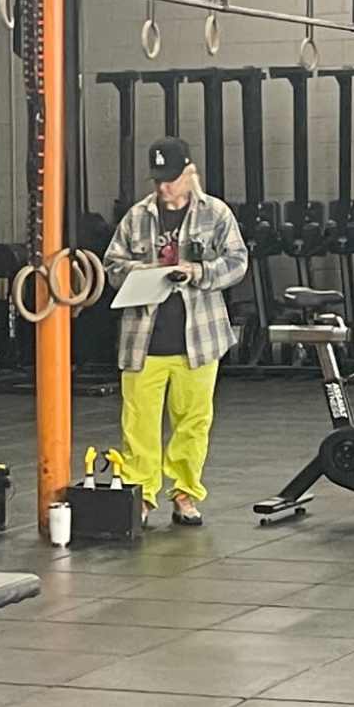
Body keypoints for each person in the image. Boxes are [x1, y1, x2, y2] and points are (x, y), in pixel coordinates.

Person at [102, 134, 247, 527]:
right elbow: (112, 265)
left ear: (189, 173)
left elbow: (238, 262)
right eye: (158, 180)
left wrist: (199, 273)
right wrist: (144, 271)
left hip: (198, 341)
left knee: (193, 421)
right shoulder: (137, 216)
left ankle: (185, 493)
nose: (164, 187)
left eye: (171, 178)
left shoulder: (215, 214)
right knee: (139, 424)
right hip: (144, 341)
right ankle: (142, 496)